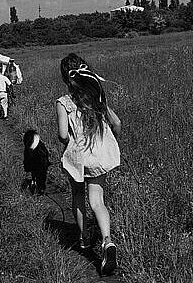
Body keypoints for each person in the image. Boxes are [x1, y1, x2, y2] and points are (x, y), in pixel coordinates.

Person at [56, 53, 121, 276]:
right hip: (98, 153)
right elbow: (117, 123)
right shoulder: (97, 97)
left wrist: (68, 140)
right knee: (97, 200)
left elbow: (63, 135)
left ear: (66, 78)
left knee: (77, 195)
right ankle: (107, 241)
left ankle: (84, 239)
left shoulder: (64, 102)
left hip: (78, 157)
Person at [23, 129, 51, 195]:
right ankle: (39, 188)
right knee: (41, 175)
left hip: (39, 162)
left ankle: (38, 187)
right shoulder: (40, 147)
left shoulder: (37, 147)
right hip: (39, 163)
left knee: (39, 174)